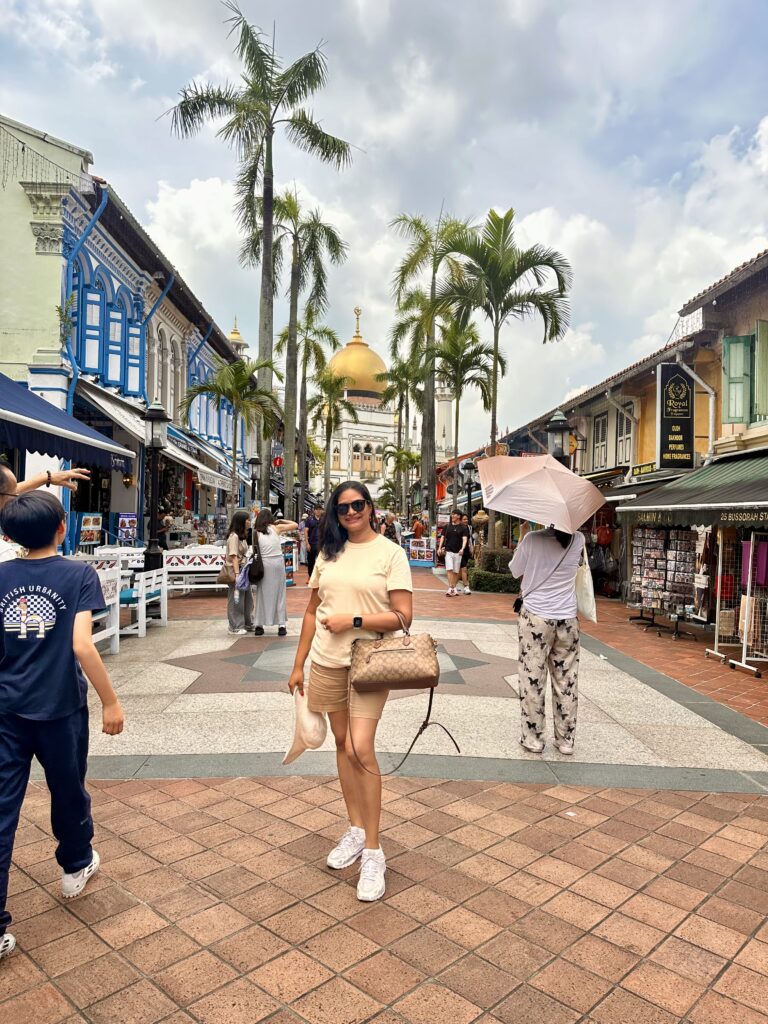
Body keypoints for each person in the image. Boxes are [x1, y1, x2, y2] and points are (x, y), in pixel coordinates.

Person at [0, 492, 124, 963]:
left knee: (1, 808)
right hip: (60, 708)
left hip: (7, 710)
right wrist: (110, 700)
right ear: (62, 528)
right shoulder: (77, 574)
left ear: (9, 536)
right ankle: (75, 866)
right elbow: (82, 645)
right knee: (68, 788)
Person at [288, 481, 412, 902]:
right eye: (343, 508)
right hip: (326, 661)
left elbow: (403, 616)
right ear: (334, 515)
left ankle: (375, 850)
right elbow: (310, 611)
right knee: (342, 744)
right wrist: (298, 664)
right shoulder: (329, 552)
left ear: (371, 507)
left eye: (358, 505)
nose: (352, 512)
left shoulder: (391, 554)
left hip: (370, 663)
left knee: (361, 747)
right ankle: (356, 829)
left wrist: (354, 621)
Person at [509, 525, 585, 756]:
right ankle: (566, 741)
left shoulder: (532, 539)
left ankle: (533, 739)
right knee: (567, 680)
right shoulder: (578, 539)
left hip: (536, 619)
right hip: (567, 619)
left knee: (532, 678)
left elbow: (515, 570)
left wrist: (522, 536)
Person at [0, 463, 91, 561]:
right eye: (14, 495)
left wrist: (46, 478)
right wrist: (46, 478)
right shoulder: (4, 553)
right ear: (60, 526)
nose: (16, 499)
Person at [252, 509, 298, 637]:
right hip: (278, 563)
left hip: (264, 564)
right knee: (280, 594)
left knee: (262, 594)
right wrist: (281, 520)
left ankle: (259, 625)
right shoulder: (276, 528)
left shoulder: (256, 532)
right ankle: (281, 625)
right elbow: (295, 525)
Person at [225, 510, 253, 635]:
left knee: (247, 599)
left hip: (244, 570)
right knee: (236, 599)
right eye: (247, 519)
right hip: (237, 570)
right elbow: (233, 556)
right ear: (241, 522)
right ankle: (235, 625)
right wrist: (237, 574)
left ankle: (247, 622)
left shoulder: (242, 536)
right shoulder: (234, 537)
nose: (249, 521)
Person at [438, 509, 469, 597]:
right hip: (449, 551)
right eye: (452, 514)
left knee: (455, 571)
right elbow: (443, 538)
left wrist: (462, 548)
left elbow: (465, 539)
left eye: (454, 514)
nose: (452, 516)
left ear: (459, 516)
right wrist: (439, 548)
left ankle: (453, 588)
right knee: (449, 569)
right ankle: (450, 587)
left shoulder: (463, 527)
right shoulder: (447, 526)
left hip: (458, 552)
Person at [305, 505, 324, 580]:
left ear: (322, 510)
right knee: (311, 561)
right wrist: (307, 543)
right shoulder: (309, 520)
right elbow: (306, 531)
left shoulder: (324, 520)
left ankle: (320, 577)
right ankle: (310, 576)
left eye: (320, 509)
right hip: (311, 544)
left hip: (321, 544)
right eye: (316, 509)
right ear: (314, 510)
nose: (318, 511)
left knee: (322, 561)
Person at [459, 513, 474, 595]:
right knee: (464, 568)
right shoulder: (459, 528)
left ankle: (452, 586)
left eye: (467, 519)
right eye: (464, 519)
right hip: (459, 550)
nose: (466, 521)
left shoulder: (469, 528)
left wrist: (471, 547)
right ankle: (466, 586)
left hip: (466, 550)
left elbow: (470, 538)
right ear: (460, 520)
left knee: (460, 569)